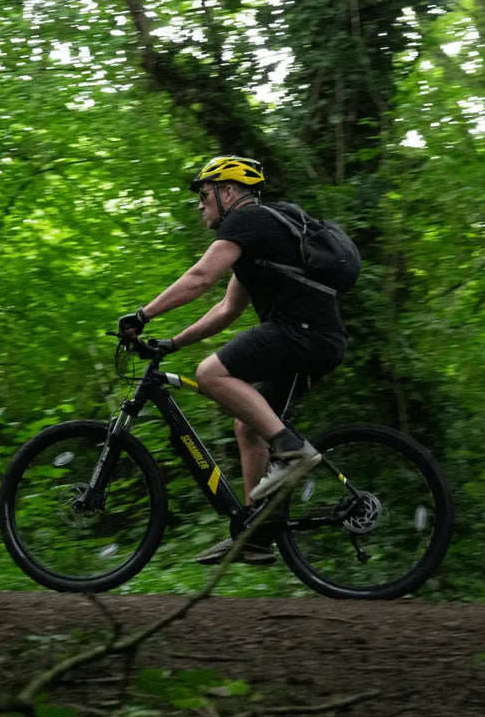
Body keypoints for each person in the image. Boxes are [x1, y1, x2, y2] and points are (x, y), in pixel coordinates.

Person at [117, 156, 347, 565]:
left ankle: (294, 452)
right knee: (248, 425)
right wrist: (172, 343)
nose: (200, 204)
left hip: (301, 333)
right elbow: (226, 309)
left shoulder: (248, 220)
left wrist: (142, 315)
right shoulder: (260, 239)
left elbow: (200, 278)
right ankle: (256, 533)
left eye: (204, 195)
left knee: (210, 373)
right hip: (315, 339)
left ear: (228, 192)